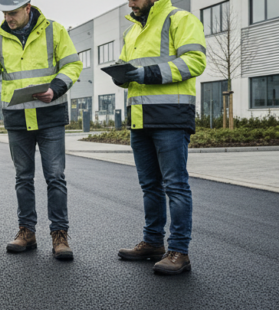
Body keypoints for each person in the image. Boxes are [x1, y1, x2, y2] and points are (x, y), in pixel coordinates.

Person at [0, 0, 82, 259]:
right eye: (5, 13)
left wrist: (55, 88)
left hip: (50, 117)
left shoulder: (55, 31)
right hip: (18, 120)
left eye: (13, 13)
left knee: (55, 177)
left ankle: (59, 235)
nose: (8, 18)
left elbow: (72, 65)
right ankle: (26, 232)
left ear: (28, 8)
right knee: (23, 178)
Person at [112, 0, 206, 275]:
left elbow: (195, 62)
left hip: (171, 117)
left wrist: (145, 73)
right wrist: (122, 75)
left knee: (175, 185)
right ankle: (153, 242)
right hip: (139, 118)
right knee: (149, 185)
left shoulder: (180, 19)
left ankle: (179, 251)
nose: (131, 2)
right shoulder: (131, 32)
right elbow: (132, 71)